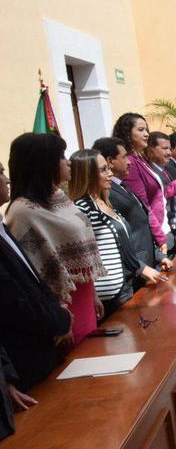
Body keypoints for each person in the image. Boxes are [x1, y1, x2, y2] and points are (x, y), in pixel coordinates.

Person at [5, 133, 106, 348]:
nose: (68, 161)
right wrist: (59, 314)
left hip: (83, 297)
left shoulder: (60, 198)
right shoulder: (23, 211)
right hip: (61, 306)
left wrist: (93, 293)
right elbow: (34, 270)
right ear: (43, 163)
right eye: (61, 156)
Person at [0, 158, 72, 394]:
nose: (6, 179)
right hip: (24, 356)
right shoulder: (20, 211)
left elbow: (32, 279)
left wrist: (59, 314)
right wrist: (60, 320)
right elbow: (13, 300)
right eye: (0, 173)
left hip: (45, 341)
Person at [67, 149, 165, 316]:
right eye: (103, 170)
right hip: (108, 296)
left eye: (108, 168)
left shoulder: (105, 201)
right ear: (87, 174)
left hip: (125, 286)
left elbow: (122, 243)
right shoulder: (82, 208)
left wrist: (142, 267)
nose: (110, 173)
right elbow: (83, 258)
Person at [93, 137, 173, 276]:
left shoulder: (122, 186)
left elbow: (142, 222)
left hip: (147, 262)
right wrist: (140, 267)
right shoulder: (107, 194)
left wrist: (158, 256)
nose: (129, 162)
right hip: (135, 269)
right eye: (124, 157)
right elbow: (121, 237)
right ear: (110, 161)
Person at [113, 113, 176, 253]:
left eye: (146, 129)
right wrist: (160, 238)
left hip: (162, 226)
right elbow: (143, 205)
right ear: (127, 133)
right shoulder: (130, 163)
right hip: (153, 236)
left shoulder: (141, 160)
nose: (147, 134)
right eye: (141, 130)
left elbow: (158, 196)